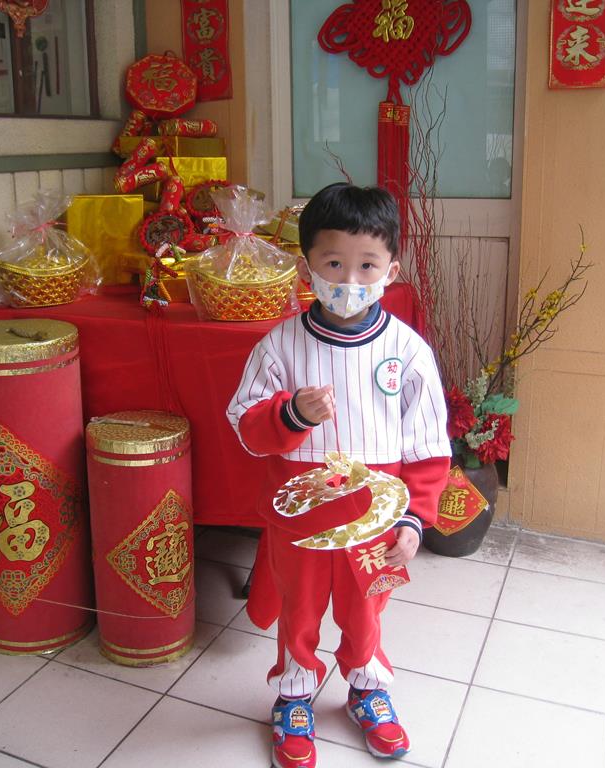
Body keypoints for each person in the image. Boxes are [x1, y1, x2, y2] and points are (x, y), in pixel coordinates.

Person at [226, 183, 451, 768]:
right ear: (307, 268)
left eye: (367, 266)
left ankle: (366, 687)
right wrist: (291, 415)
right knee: (299, 609)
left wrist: (414, 518)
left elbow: (429, 444)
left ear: (391, 271)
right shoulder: (279, 346)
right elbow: (245, 424)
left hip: (374, 518)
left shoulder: (408, 351)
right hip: (300, 517)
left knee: (366, 609)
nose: (349, 280)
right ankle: (294, 694)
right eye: (333, 264)